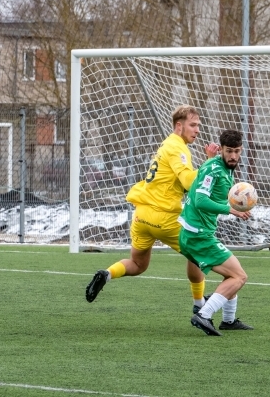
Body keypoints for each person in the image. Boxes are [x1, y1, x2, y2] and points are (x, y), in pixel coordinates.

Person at [85, 105, 218, 315]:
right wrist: (210, 163)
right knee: (197, 254)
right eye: (193, 125)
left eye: (198, 125)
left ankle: (107, 274)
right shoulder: (177, 148)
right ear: (179, 126)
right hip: (164, 217)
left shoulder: (167, 144)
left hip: (141, 215)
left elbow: (179, 182)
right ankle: (199, 303)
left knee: (137, 264)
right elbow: (187, 181)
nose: (197, 130)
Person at [180, 129, 253, 336]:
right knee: (239, 276)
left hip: (195, 232)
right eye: (229, 151)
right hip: (198, 234)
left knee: (232, 274)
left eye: (237, 151)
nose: (233, 156)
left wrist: (237, 202)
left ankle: (228, 321)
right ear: (221, 149)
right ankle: (203, 314)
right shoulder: (214, 169)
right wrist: (230, 209)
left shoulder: (224, 167)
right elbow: (201, 201)